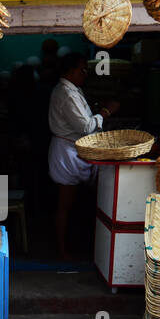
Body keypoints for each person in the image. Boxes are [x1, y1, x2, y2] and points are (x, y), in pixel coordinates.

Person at [48, 52, 119, 260]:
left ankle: (84, 246)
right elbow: (86, 127)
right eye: (82, 69)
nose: (85, 73)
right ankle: (62, 250)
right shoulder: (66, 93)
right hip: (67, 153)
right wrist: (106, 111)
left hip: (75, 150)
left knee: (77, 204)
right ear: (70, 71)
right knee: (65, 205)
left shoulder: (73, 90)